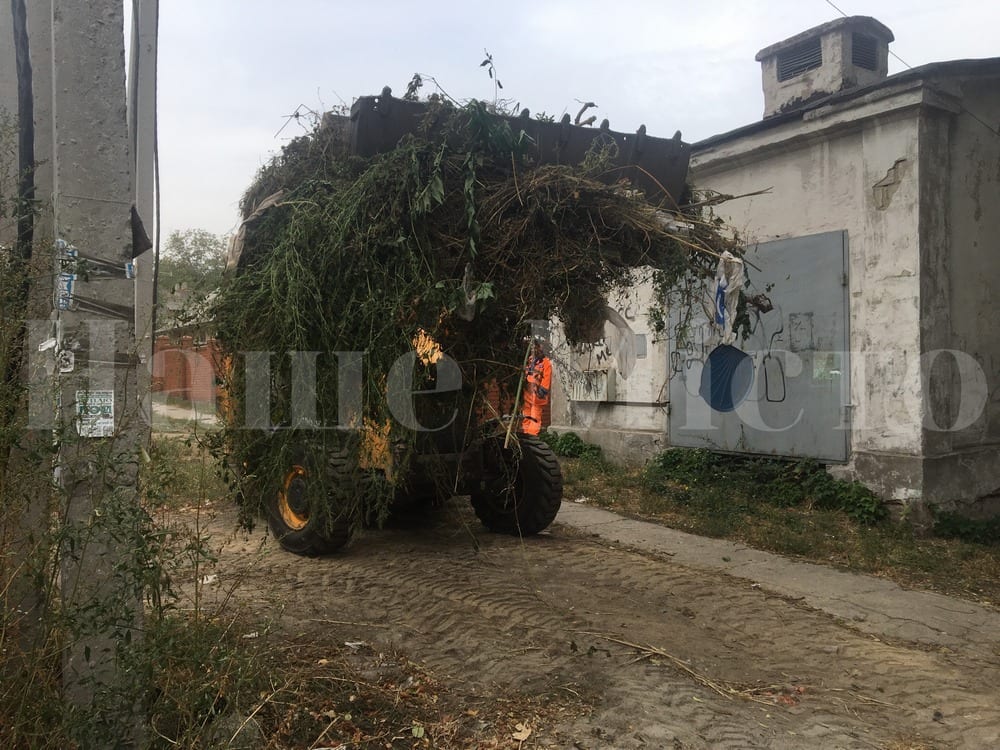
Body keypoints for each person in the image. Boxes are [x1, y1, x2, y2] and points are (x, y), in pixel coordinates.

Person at [520, 338, 552, 436]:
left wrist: (541, 391)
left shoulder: (546, 362)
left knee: (534, 418)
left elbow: (547, 378)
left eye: (537, 347)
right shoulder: (529, 360)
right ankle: (526, 436)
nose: (535, 349)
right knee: (526, 417)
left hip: (537, 396)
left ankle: (532, 438)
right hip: (527, 395)